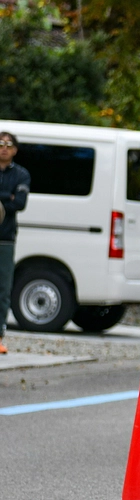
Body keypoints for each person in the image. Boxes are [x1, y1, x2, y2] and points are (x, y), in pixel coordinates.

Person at [0, 131, 31, 356]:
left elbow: (19, 202)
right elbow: (10, 199)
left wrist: (10, 199)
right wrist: (6, 196)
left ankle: (0, 335)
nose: (4, 148)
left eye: (8, 145)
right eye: (0, 144)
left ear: (15, 150)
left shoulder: (21, 174)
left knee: (3, 288)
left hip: (5, 238)